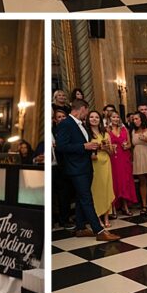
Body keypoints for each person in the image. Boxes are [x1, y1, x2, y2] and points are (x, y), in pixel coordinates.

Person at [50, 99, 120, 240]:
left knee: (82, 198)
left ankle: (80, 228)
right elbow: (61, 147)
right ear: (82, 109)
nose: (87, 114)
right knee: (86, 199)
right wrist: (84, 147)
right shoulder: (66, 124)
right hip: (76, 168)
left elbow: (84, 144)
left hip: (86, 166)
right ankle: (99, 231)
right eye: (87, 111)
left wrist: (96, 147)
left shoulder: (80, 125)